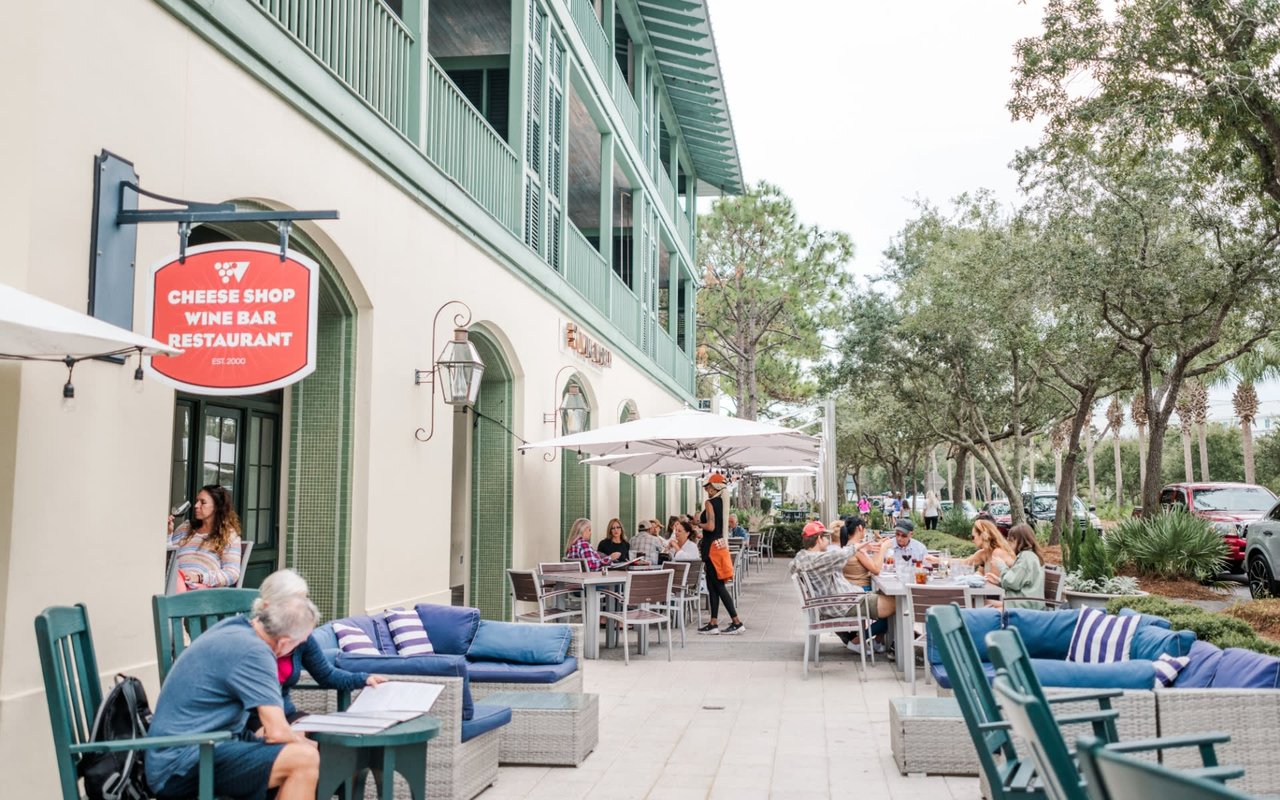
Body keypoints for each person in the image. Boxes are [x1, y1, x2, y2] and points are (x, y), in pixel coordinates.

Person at [145, 581, 321, 800]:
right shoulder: (255, 653)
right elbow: (276, 732)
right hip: (182, 764)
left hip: (204, 748)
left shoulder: (238, 628)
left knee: (309, 751)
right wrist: (309, 748)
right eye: (299, 643)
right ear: (284, 642)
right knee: (304, 759)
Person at [251, 570, 385, 723]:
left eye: (304, 601)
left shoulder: (301, 638)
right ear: (269, 606)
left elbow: (326, 674)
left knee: (314, 732)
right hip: (252, 718)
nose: (303, 609)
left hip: (285, 714)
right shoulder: (250, 641)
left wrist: (363, 679)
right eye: (294, 603)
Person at [789, 520, 886, 653]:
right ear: (819, 539)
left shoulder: (804, 557)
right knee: (896, 604)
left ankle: (873, 642)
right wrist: (860, 547)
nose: (829, 541)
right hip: (844, 604)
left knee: (888, 599)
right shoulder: (816, 559)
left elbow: (834, 556)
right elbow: (839, 554)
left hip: (844, 600)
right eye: (826, 537)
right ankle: (859, 641)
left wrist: (859, 548)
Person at [166, 485, 244, 590]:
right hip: (177, 582)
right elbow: (169, 559)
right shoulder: (185, 528)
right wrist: (169, 534)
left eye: (203, 502)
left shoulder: (228, 535)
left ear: (217, 506)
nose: (196, 505)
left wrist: (199, 577)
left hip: (203, 591)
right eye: (197, 501)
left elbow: (232, 573)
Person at [696, 473, 745, 635]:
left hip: (711, 548)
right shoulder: (723, 503)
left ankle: (737, 622)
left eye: (708, 487)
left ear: (714, 487)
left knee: (718, 586)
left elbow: (710, 526)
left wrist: (698, 523)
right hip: (719, 546)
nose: (706, 490)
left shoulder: (710, 503)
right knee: (712, 586)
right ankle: (713, 623)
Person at [991, 523, 1046, 610]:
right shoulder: (1029, 555)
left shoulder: (1026, 557)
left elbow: (1012, 582)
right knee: (987, 606)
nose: (1009, 544)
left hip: (1023, 606)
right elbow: (1018, 580)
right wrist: (999, 581)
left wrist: (1002, 566)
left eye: (1011, 540)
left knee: (986, 610)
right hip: (1025, 603)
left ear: (1020, 541)